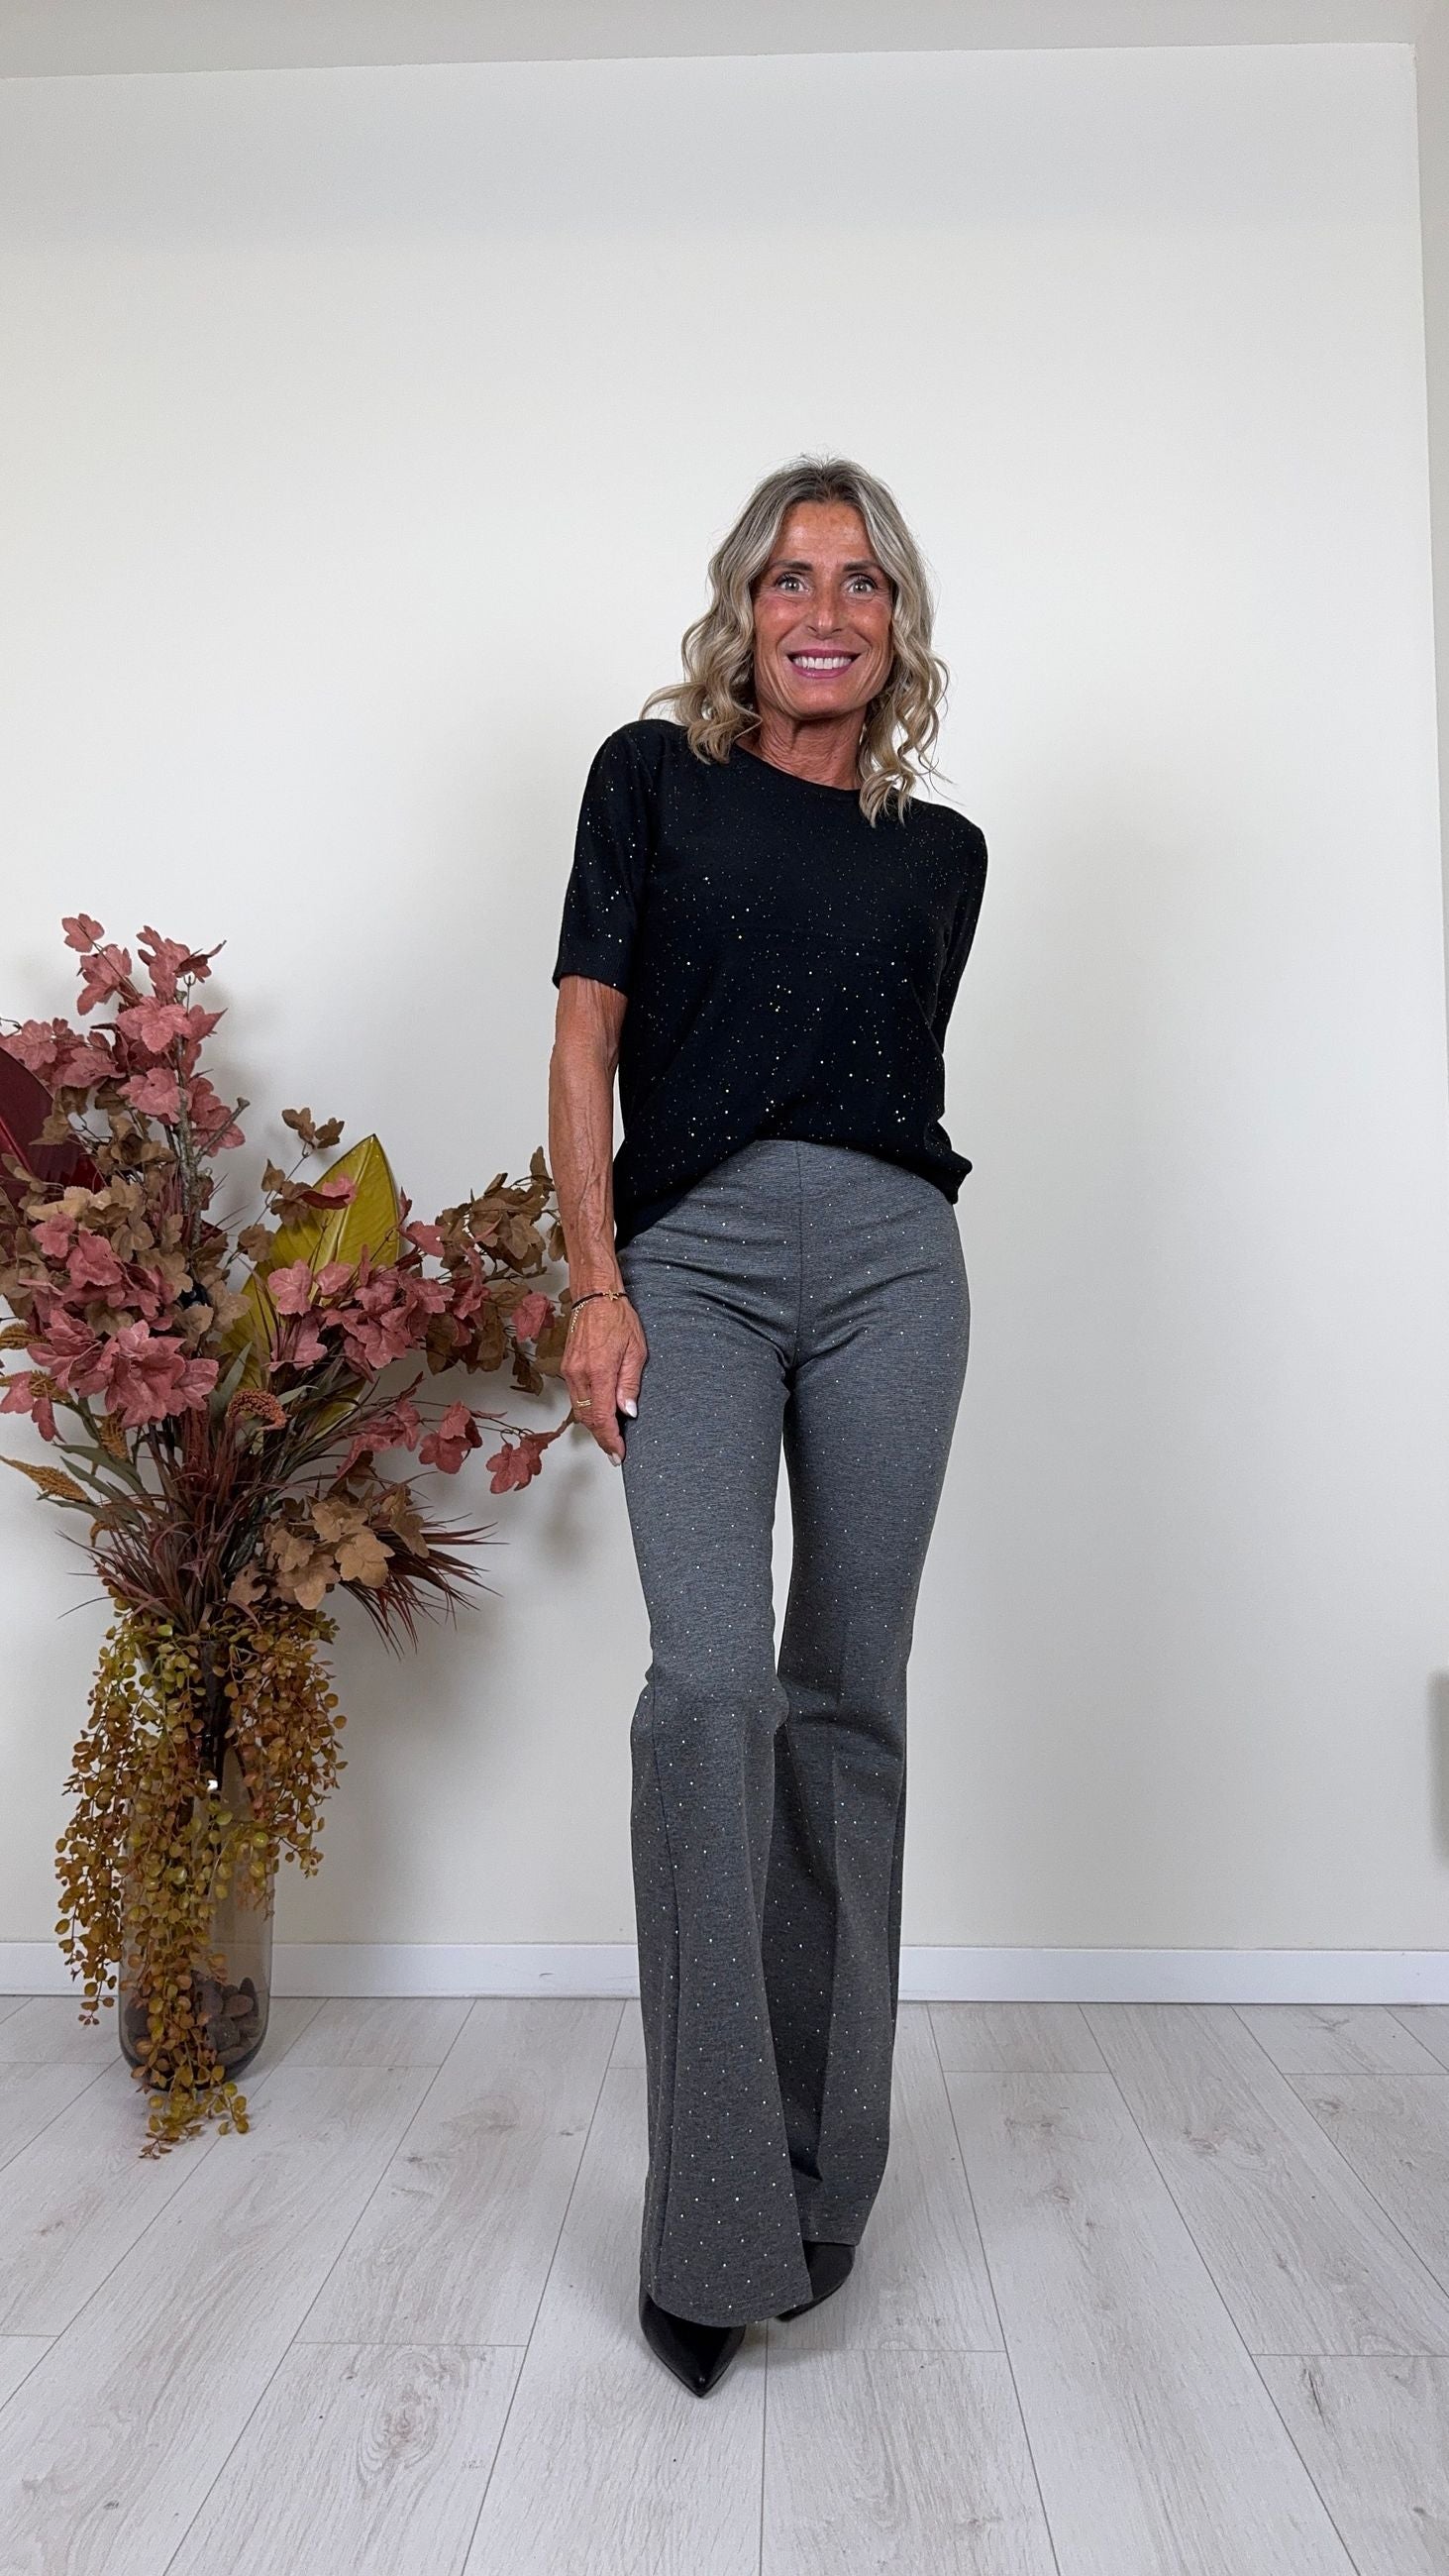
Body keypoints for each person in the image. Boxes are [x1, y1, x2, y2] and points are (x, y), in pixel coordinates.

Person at [546, 454, 987, 2398]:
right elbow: (586, 1038)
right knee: (711, 1689)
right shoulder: (650, 779)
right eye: (791, 577)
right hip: (695, 1265)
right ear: (743, 608)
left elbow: (890, 1075)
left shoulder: (943, 851)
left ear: (898, 625)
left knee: (848, 1702)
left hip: (895, 1264)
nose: (825, 609)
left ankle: (820, 2190)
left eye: (862, 581)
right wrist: (595, 1282)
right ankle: (711, 2218)